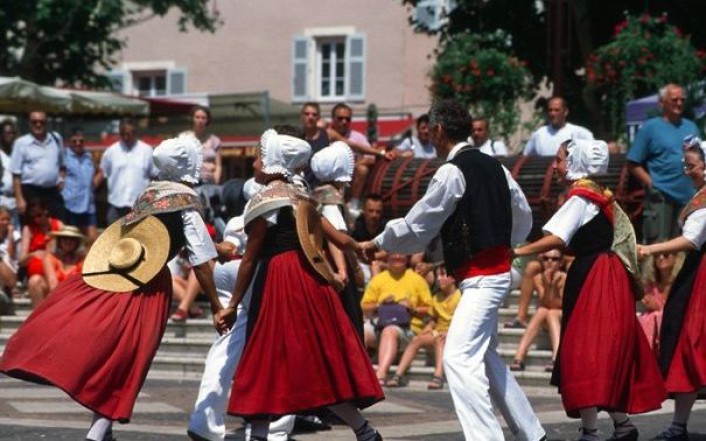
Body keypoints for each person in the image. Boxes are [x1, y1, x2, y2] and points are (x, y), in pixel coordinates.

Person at [0, 133, 222, 441]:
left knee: (114, 355)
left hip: (116, 275)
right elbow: (201, 260)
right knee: (126, 360)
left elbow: (181, 243)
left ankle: (100, 431)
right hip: (148, 286)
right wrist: (217, 304)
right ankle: (97, 432)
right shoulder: (187, 204)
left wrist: (220, 249)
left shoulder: (148, 194)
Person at [358, 99, 544, 441]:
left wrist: (379, 241)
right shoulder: (497, 167)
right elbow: (523, 214)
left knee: (458, 358)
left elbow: (420, 223)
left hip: (483, 278)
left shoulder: (451, 170)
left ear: (439, 130)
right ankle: (532, 433)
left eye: (431, 129)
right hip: (493, 272)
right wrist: (508, 244)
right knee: (483, 356)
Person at [217, 127, 384, 441]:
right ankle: (364, 430)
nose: (254, 163)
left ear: (271, 162)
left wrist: (231, 304)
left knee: (266, 360)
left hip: (279, 282)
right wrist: (360, 246)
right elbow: (337, 237)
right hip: (310, 283)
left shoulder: (264, 200)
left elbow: (250, 260)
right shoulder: (302, 196)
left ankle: (258, 436)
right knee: (319, 361)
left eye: (258, 157)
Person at [513, 138, 666, 441]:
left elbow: (557, 238)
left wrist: (518, 252)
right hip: (603, 274)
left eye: (559, 160)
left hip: (595, 278)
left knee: (586, 352)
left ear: (576, 161)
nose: (555, 166)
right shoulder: (597, 194)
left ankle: (591, 431)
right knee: (599, 351)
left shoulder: (581, 198)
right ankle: (622, 426)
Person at [187, 215, 296, 441]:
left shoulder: (238, 217)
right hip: (253, 270)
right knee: (279, 344)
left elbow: (228, 247)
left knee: (226, 347)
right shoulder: (283, 209)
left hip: (226, 268)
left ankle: (203, 421)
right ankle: (276, 428)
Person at [635, 138, 706, 441]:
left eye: (691, 166)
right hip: (696, 273)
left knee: (691, 342)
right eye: (686, 166)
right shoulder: (700, 196)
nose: (686, 171)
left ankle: (678, 425)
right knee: (686, 344)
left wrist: (650, 248)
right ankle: (678, 425)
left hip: (701, 276)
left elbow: (692, 240)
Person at [628, 84, 699, 244]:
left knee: (685, 246)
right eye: (674, 99)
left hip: (688, 197)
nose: (679, 103)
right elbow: (633, 162)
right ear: (662, 103)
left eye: (682, 100)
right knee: (658, 247)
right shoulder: (650, 128)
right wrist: (651, 184)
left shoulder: (691, 127)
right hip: (661, 197)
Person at [310, 141, 365, 338]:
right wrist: (350, 270)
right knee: (349, 323)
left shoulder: (316, 194)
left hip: (324, 267)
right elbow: (338, 240)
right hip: (335, 267)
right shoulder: (330, 198)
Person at [361, 253, 432, 384]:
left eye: (401, 255)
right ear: (388, 258)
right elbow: (364, 307)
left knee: (390, 330)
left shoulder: (417, 280)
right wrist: (380, 304)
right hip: (379, 324)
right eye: (394, 254)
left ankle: (381, 374)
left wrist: (412, 307)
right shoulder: (379, 279)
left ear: (407, 259)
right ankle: (355, 374)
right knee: (360, 332)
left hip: (408, 329)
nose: (398, 257)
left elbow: (429, 310)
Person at [386, 265, 460, 390]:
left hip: (454, 334)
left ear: (453, 278)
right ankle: (398, 375)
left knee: (439, 339)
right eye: (437, 276)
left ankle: (438, 376)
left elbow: (462, 322)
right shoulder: (437, 297)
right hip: (438, 332)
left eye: (443, 275)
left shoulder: (460, 296)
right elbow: (433, 320)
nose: (438, 279)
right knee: (416, 340)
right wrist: (426, 331)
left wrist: (449, 332)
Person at [327, 103, 394, 218]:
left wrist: (355, 165)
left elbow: (371, 158)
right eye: (340, 118)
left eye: (347, 119)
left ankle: (354, 205)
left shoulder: (358, 137)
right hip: (329, 181)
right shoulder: (325, 135)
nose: (344, 121)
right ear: (333, 119)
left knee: (362, 169)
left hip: (352, 182)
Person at [509, 249, 565, 373]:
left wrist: (552, 285)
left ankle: (557, 357)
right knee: (542, 311)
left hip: (561, 316)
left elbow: (559, 305)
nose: (550, 262)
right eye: (546, 258)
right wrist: (548, 284)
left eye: (555, 259)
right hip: (548, 314)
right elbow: (546, 302)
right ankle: (519, 357)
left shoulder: (564, 278)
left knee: (550, 312)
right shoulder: (538, 278)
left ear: (561, 262)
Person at [95, 118, 157, 224]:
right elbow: (103, 173)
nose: (125, 137)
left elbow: (154, 176)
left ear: (135, 132)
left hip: (140, 206)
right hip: (116, 204)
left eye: (129, 134)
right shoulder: (111, 152)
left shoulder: (147, 150)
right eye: (122, 134)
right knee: (114, 239)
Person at [10, 110, 66, 221]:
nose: (38, 124)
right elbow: (16, 174)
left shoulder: (56, 139)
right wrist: (20, 199)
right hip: (31, 192)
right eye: (34, 122)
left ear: (47, 123)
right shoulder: (21, 143)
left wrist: (61, 179)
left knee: (58, 223)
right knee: (32, 227)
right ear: (29, 123)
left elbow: (62, 165)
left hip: (52, 192)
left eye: (42, 122)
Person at [19, 199, 63, 308]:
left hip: (57, 273)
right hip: (39, 276)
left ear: (46, 211)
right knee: (34, 281)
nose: (36, 219)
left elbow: (69, 247)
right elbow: (21, 261)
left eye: (38, 215)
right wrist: (33, 254)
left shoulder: (58, 225)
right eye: (32, 216)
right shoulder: (28, 229)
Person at [637, 251, 684, 353]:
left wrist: (658, 308)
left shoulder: (681, 285)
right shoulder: (650, 286)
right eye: (657, 255)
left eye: (666, 254)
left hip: (674, 337)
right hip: (653, 341)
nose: (661, 257)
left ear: (677, 258)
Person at [523, 97, 593, 157]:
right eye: (550, 110)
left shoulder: (580, 133)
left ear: (565, 112)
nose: (553, 113)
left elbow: (595, 155)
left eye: (557, 110)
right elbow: (525, 156)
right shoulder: (539, 134)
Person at [62, 128, 98, 244]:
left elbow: (100, 171)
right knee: (72, 241)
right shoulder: (64, 157)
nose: (78, 143)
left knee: (93, 240)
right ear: (69, 142)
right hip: (71, 205)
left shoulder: (89, 157)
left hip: (88, 205)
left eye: (81, 141)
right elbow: (59, 176)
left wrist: (95, 183)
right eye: (74, 141)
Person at [350, 194, 387, 281]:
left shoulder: (386, 228)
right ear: (363, 210)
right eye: (371, 211)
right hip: (359, 265)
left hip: (380, 265)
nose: (374, 215)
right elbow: (350, 250)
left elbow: (387, 253)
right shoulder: (355, 227)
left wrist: (367, 256)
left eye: (378, 212)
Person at [42, 225, 86, 291]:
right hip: (56, 296)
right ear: (59, 240)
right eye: (65, 238)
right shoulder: (50, 258)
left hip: (76, 296)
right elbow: (53, 285)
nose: (68, 241)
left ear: (77, 242)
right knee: (35, 280)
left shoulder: (82, 260)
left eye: (72, 239)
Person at [0, 119, 18, 227]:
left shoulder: (16, 153)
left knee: (15, 233)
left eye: (12, 133)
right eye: (7, 133)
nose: (10, 136)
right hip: (2, 198)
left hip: (14, 201)